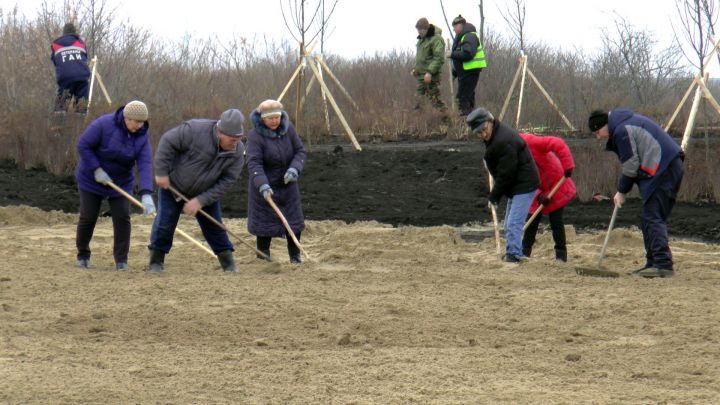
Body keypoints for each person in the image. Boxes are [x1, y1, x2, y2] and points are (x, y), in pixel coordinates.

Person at [588, 109, 684, 278]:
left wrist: (622, 191)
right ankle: (652, 263)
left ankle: (663, 264)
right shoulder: (623, 125)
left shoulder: (621, 131)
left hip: (663, 168)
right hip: (662, 168)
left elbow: (631, 165)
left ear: (604, 125)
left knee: (653, 216)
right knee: (649, 216)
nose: (599, 137)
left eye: (598, 132)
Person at [148, 109, 246, 273]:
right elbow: (167, 142)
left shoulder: (237, 153)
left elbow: (226, 181)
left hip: (205, 193)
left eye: (239, 138)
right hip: (174, 186)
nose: (236, 142)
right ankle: (156, 261)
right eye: (232, 138)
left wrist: (201, 200)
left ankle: (228, 263)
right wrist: (161, 172)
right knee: (165, 222)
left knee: (214, 226)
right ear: (220, 132)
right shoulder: (194, 130)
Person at [75, 100, 155, 271]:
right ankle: (83, 254)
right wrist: (96, 169)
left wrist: (146, 193)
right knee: (88, 217)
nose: (140, 126)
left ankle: (121, 260)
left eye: (143, 122)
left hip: (120, 182)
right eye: (137, 122)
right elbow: (83, 145)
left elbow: (145, 163)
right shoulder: (103, 124)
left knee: (122, 218)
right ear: (127, 118)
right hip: (91, 178)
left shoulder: (142, 136)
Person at [466, 107, 540, 263]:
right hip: (516, 185)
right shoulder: (495, 136)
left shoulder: (503, 140)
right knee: (508, 224)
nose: (483, 135)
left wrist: (494, 196)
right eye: (479, 133)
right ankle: (513, 251)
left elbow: (506, 174)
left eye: (484, 130)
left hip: (524, 184)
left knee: (514, 223)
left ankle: (514, 255)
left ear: (490, 121)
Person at [246, 100, 306, 264]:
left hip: (288, 186)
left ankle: (295, 257)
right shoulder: (254, 136)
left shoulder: (289, 130)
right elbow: (254, 162)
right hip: (264, 186)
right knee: (263, 224)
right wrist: (262, 184)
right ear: (262, 118)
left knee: (293, 223)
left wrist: (294, 169)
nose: (274, 121)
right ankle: (263, 257)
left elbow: (300, 151)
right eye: (270, 118)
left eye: (277, 117)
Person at [519, 133, 576, 262]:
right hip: (534, 189)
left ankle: (561, 256)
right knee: (531, 223)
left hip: (556, 184)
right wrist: (538, 195)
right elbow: (521, 181)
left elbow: (558, 143)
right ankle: (524, 253)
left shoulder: (531, 142)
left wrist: (568, 166)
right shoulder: (512, 159)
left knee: (556, 222)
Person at [449, 15, 487, 116]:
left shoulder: (469, 36)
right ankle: (471, 121)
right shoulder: (461, 37)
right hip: (464, 72)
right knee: (466, 98)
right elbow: (459, 58)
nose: (453, 29)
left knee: (463, 99)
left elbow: (468, 54)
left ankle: (467, 122)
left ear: (460, 25)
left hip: (470, 72)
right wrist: (455, 72)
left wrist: (451, 54)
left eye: (455, 27)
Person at [51, 22, 91, 114]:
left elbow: (55, 61)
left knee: (61, 106)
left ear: (64, 33)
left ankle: (58, 126)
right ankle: (79, 126)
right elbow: (85, 57)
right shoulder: (81, 43)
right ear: (74, 32)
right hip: (82, 76)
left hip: (65, 78)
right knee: (81, 107)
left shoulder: (55, 44)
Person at [412, 17, 446, 111]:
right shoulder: (421, 41)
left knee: (435, 101)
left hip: (431, 77)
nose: (419, 32)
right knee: (418, 101)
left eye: (421, 30)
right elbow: (421, 58)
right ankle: (418, 122)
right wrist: (415, 68)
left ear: (427, 28)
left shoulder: (436, 39)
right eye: (418, 30)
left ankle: (447, 121)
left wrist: (429, 72)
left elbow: (438, 58)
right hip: (420, 76)